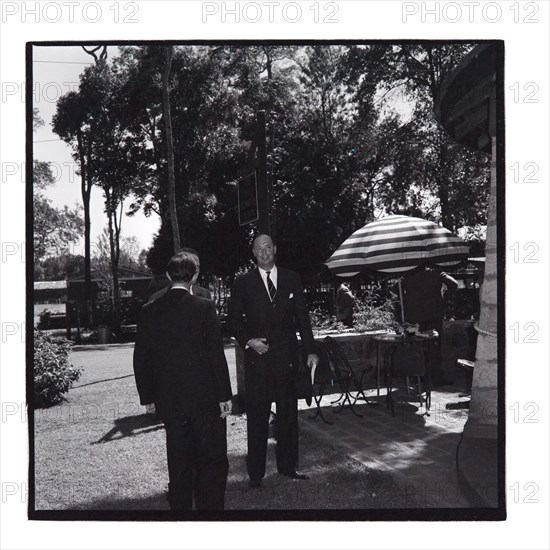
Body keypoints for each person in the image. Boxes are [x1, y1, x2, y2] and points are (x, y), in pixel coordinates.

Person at [133, 251, 232, 510]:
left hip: (170, 401)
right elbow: (215, 355)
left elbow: (141, 358)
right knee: (211, 461)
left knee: (178, 463)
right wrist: (225, 396)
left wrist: (149, 398)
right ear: (195, 276)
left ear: (167, 276)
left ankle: (181, 516)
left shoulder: (149, 311)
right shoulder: (204, 307)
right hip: (205, 400)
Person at [229, 234, 319, 488]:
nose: (264, 252)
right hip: (258, 361)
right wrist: (249, 341)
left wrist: (311, 351)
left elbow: (303, 318)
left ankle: (288, 467)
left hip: (287, 360)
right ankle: (256, 474)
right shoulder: (243, 283)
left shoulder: (292, 278)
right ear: (253, 253)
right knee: (257, 418)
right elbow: (233, 321)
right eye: (259, 249)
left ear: (275, 249)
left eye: (268, 247)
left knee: (288, 416)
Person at [401, 264, 458, 384]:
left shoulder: (408, 275)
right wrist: (444, 297)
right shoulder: (436, 273)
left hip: (414, 317)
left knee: (417, 347)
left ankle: (419, 378)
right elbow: (454, 284)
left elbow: (395, 289)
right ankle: (436, 378)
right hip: (434, 315)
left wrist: (409, 299)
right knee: (435, 347)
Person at [147, 247, 212, 303]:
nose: (195, 270)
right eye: (190, 266)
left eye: (197, 266)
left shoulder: (205, 294)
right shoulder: (156, 298)